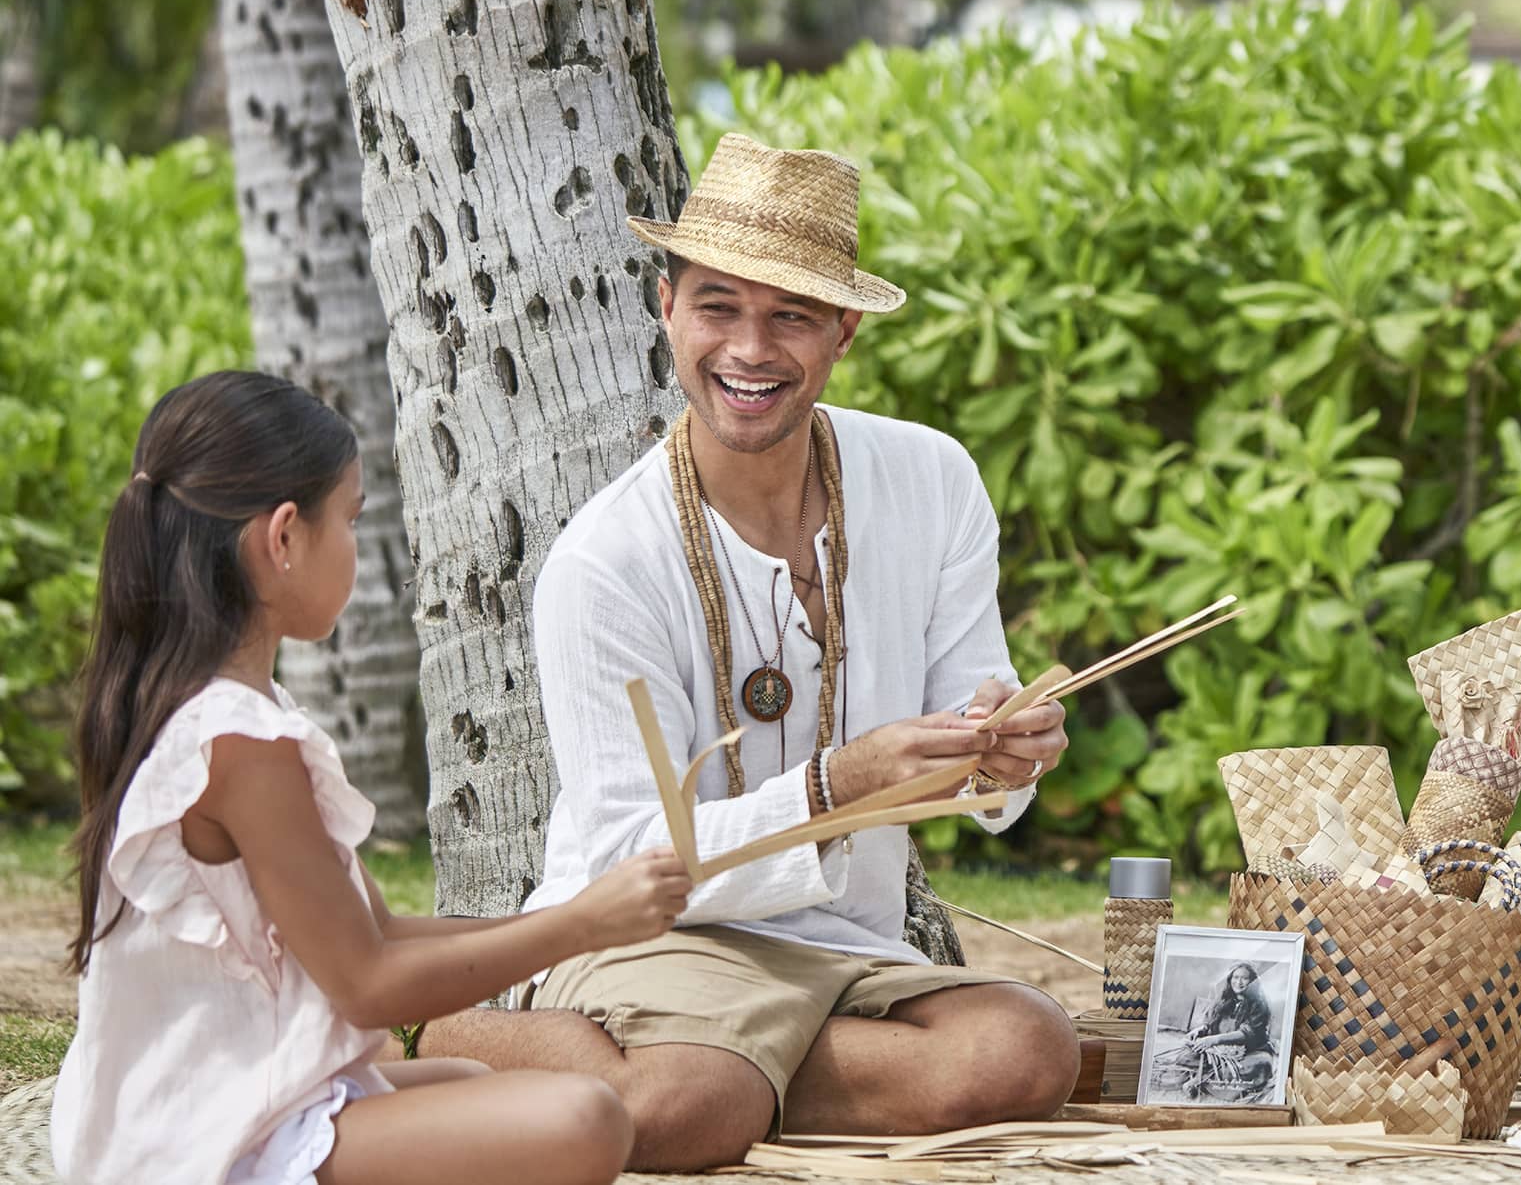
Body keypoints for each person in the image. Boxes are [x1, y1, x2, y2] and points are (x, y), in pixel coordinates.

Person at [420, 134, 1080, 1168]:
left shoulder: (933, 479)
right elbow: (633, 859)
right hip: (655, 940)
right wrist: (841, 782)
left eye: (792, 316)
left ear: (844, 333)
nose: (750, 349)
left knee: (1027, 1048)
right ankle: (464, 1029)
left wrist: (1008, 752)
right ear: (666, 307)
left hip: (840, 951)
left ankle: (733, 1075)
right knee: (687, 1107)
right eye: (718, 305)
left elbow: (980, 723)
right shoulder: (604, 561)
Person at [50, 371, 691, 1185]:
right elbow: (368, 987)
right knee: (585, 1117)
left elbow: (377, 932)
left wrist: (571, 912)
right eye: (349, 519)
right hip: (199, 1140)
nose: (360, 546)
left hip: (204, 1099)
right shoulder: (239, 739)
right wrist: (583, 929)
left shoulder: (206, 703)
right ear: (284, 538)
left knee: (472, 1083)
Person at [1152, 963, 1276, 1102]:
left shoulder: (1259, 1004)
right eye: (1235, 977)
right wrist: (1202, 1029)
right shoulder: (1224, 999)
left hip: (1250, 1051)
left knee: (1261, 1065)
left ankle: (1199, 1081)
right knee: (1185, 1056)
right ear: (1230, 979)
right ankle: (1207, 1076)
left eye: (1244, 978)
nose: (1238, 982)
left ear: (1252, 981)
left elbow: (1247, 1033)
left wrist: (1214, 1040)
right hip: (1218, 1052)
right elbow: (1211, 1022)